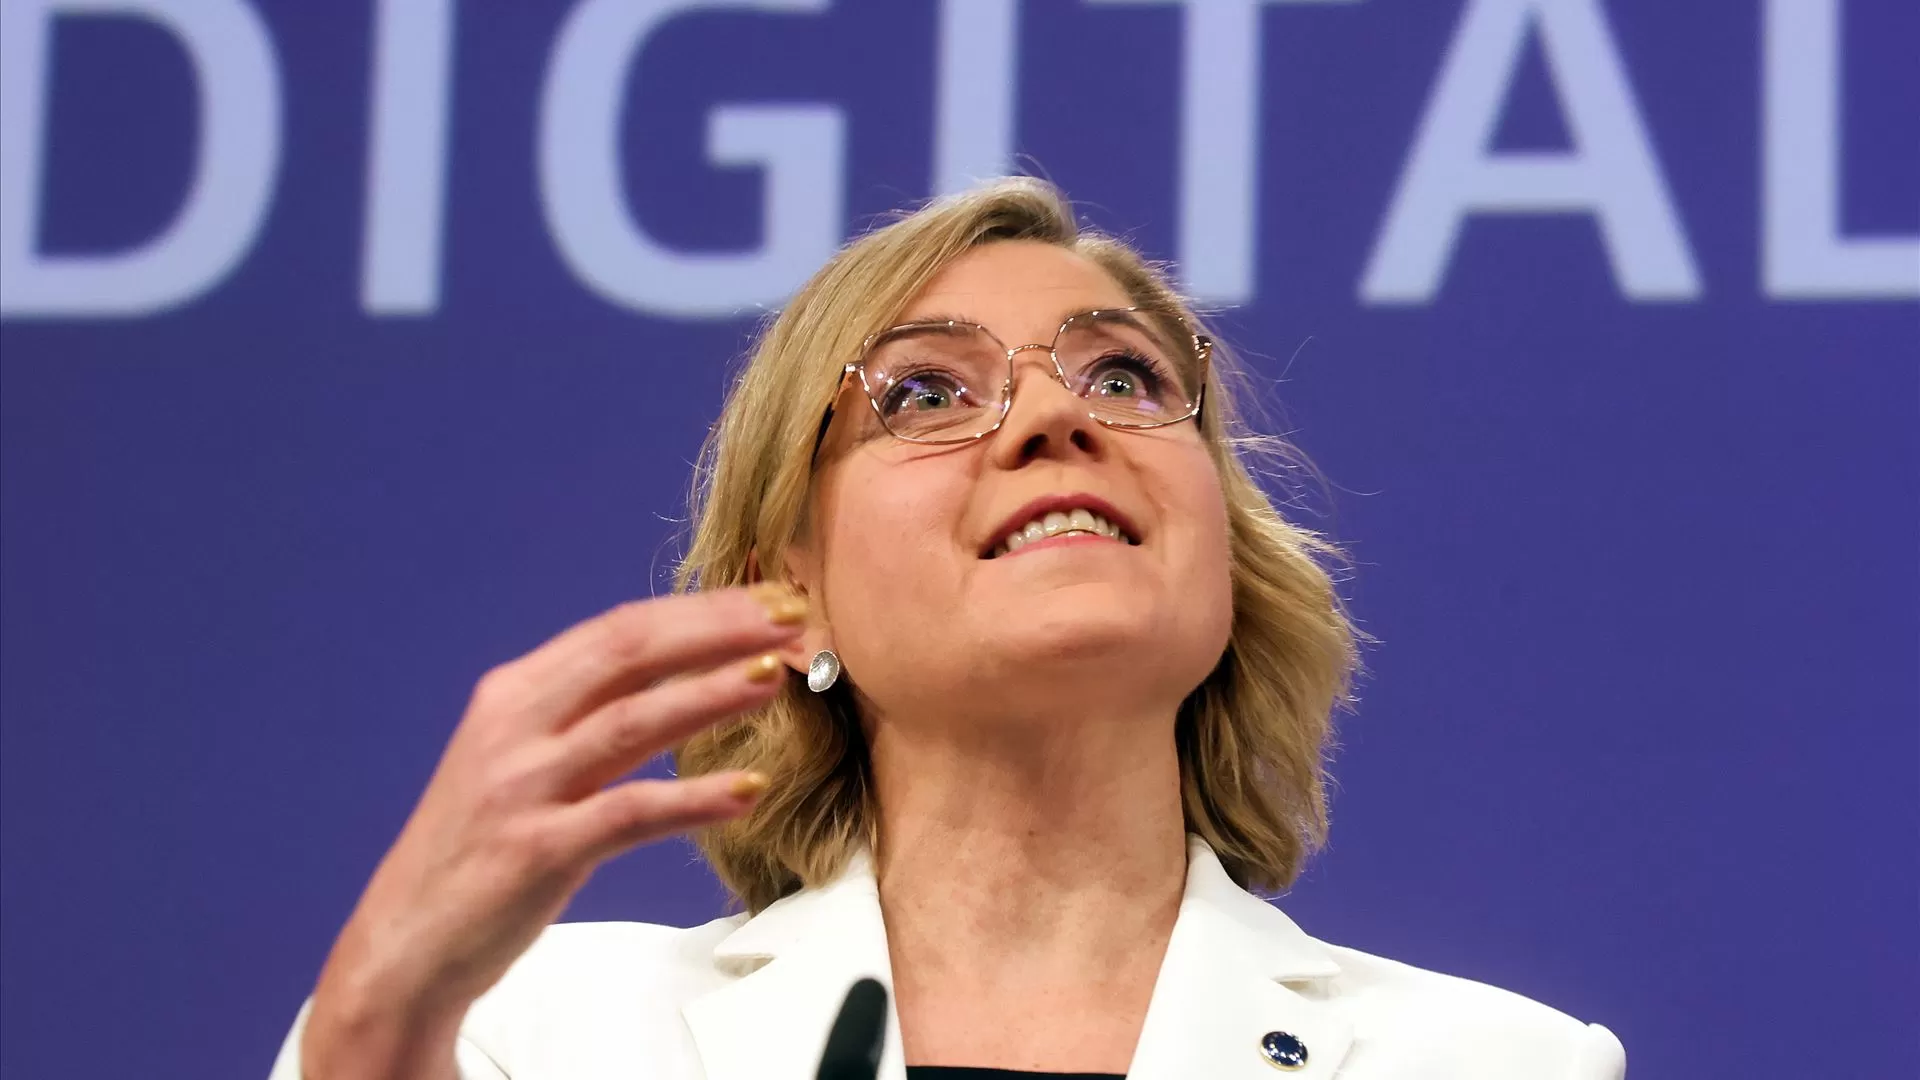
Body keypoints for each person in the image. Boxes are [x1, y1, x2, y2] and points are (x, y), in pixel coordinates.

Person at [267, 177, 1626, 1080]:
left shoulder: (1499, 1066)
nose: (1055, 417)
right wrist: (375, 1019)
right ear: (786, 593)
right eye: (924, 393)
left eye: (1124, 375)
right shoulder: (538, 1041)